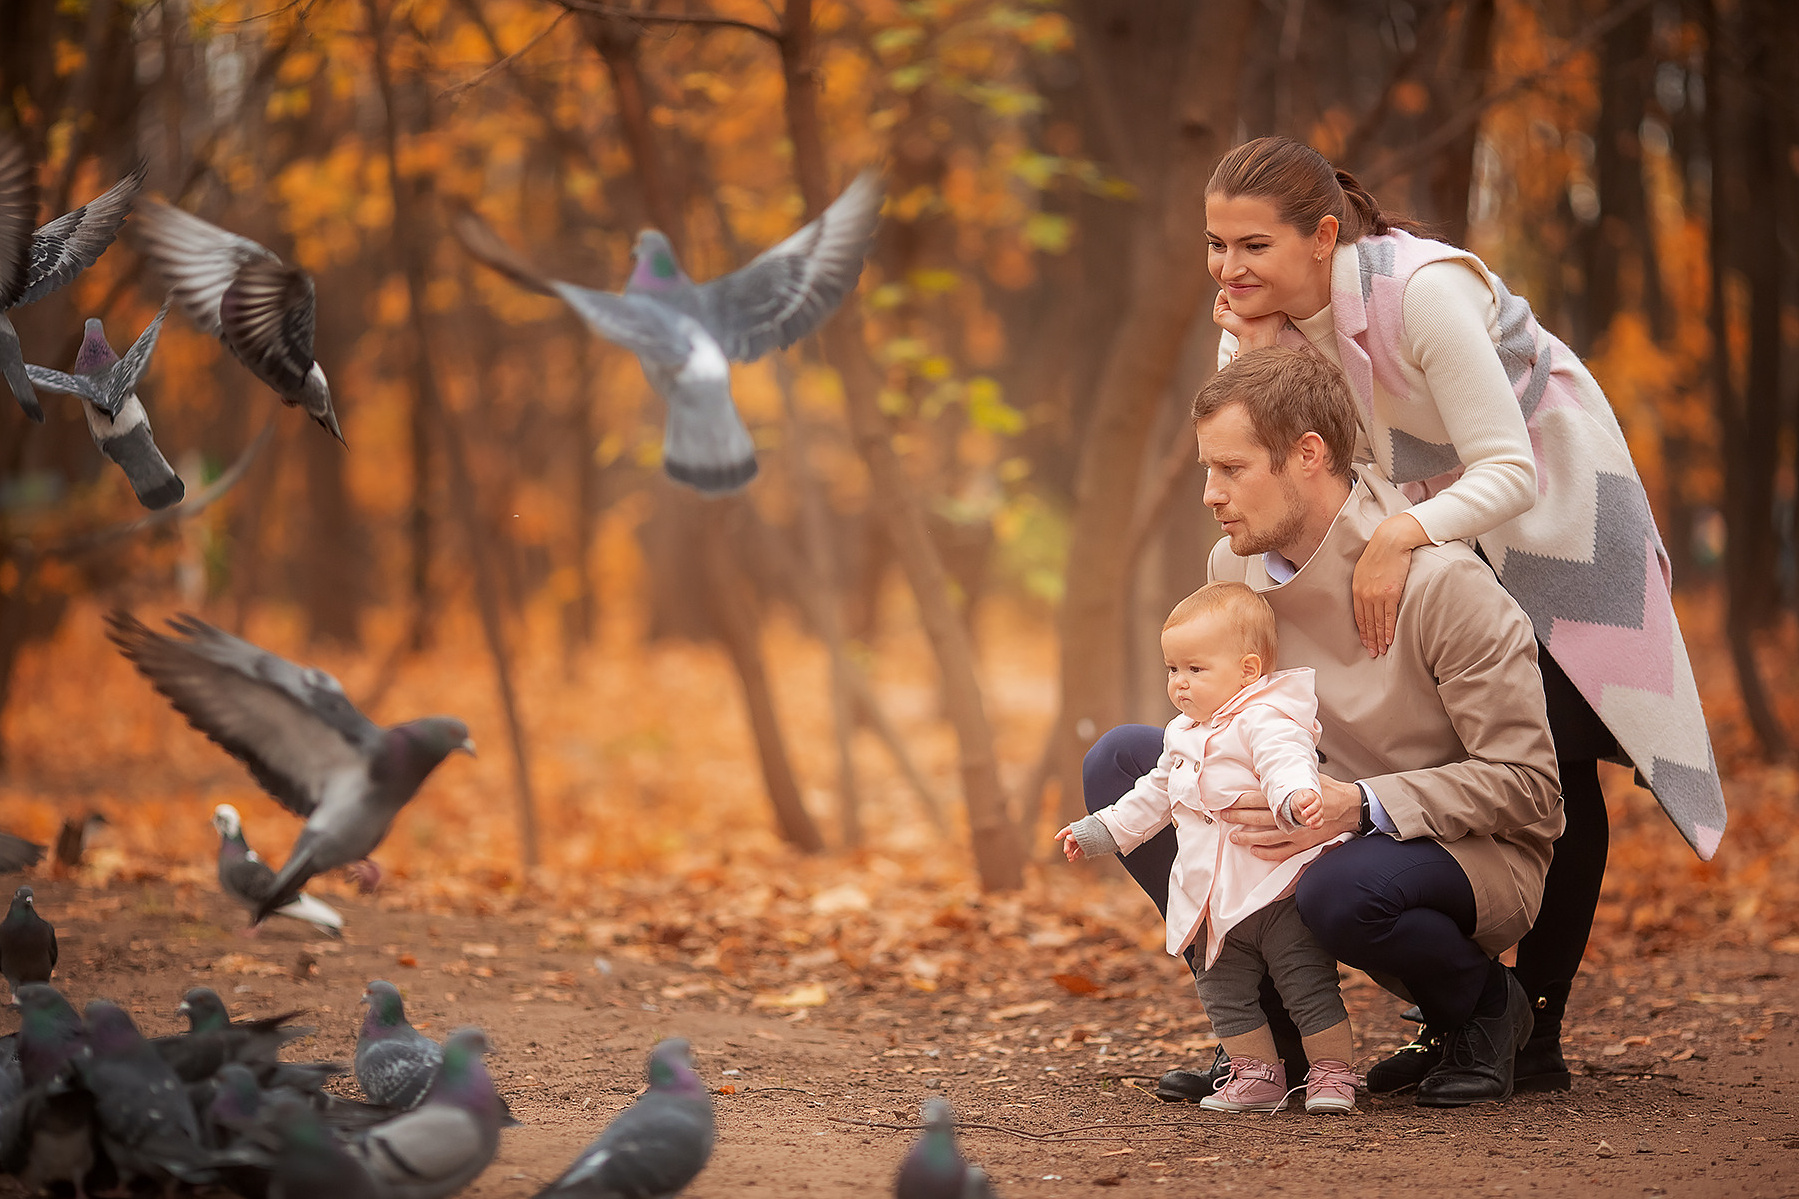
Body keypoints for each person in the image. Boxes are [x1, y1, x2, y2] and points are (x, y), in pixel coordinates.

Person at [1201, 135, 1725, 1091]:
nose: (1228, 270)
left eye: (1252, 247)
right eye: (1215, 245)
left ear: (1322, 238)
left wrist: (1400, 541)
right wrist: (1255, 343)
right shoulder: (1250, 321)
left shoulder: (1424, 292)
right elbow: (1269, 448)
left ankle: (1540, 1032)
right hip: (1425, 514)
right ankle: (1463, 1015)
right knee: (1435, 738)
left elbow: (1509, 469)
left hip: (1551, 511)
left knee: (1556, 755)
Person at [1086, 346, 1563, 1106]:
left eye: (1231, 469)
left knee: (1341, 890)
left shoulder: (1444, 586)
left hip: (1459, 850)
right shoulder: (1233, 569)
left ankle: (1481, 1009)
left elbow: (1529, 787)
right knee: (1120, 760)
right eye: (1207, 470)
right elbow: (1230, 724)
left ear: (1307, 455)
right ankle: (1266, 1043)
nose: (1209, 494)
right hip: (1305, 820)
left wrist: (1358, 804)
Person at [1057, 581, 1358, 1115]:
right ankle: (1256, 1075)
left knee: (1306, 983)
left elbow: (1285, 760)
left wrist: (1294, 799)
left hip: (1272, 887)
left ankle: (1332, 1074)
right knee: (1223, 993)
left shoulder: (1265, 718)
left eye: (1196, 670)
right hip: (1211, 897)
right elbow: (1153, 793)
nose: (1179, 683)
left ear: (1246, 671)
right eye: (1173, 669)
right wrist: (1099, 831)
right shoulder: (1183, 734)